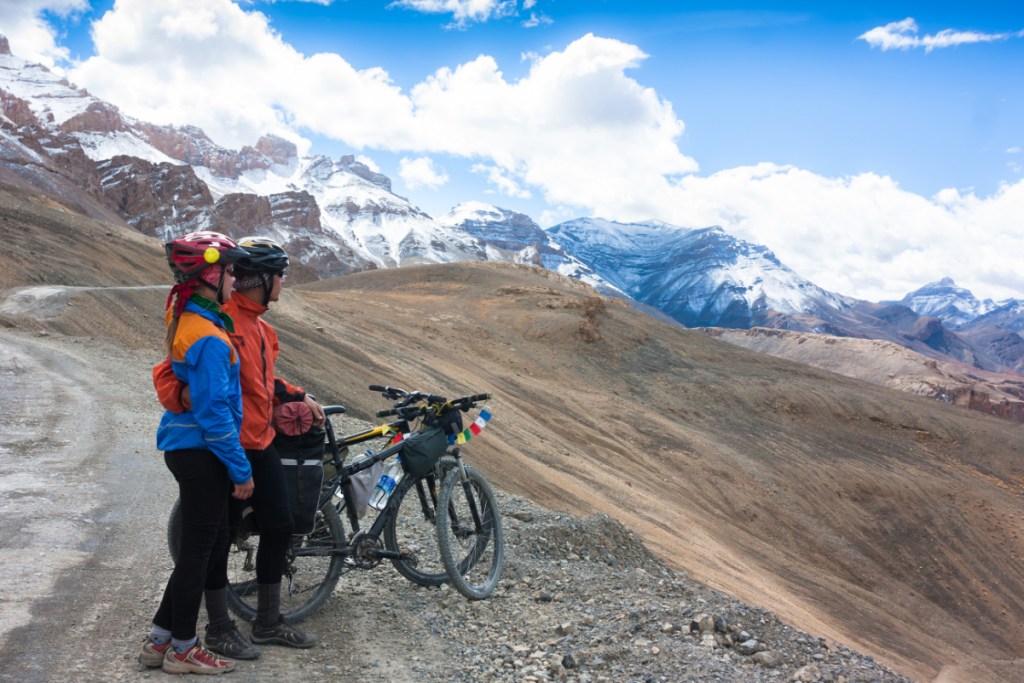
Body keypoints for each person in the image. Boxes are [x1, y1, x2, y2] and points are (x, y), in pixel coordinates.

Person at [155, 236, 325, 657]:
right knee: (217, 539)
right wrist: (187, 398)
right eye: (281, 276)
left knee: (280, 525)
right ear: (263, 280)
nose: (284, 284)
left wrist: (297, 396)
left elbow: (262, 384)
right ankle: (216, 627)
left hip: (258, 440)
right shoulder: (219, 322)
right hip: (228, 445)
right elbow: (169, 375)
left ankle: (267, 622)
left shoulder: (261, 329)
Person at [140, 231, 254, 675]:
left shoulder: (184, 312)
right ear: (212, 274)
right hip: (201, 449)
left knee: (202, 546)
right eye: (232, 271)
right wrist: (241, 470)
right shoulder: (208, 336)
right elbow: (215, 416)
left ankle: (159, 640)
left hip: (184, 445)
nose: (237, 280)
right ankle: (183, 649)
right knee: (199, 552)